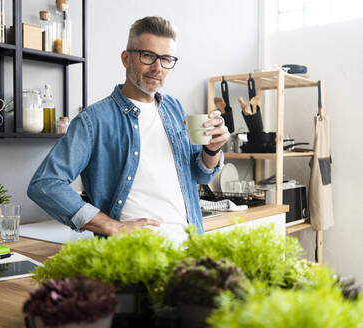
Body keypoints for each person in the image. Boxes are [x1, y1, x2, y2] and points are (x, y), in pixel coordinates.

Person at [27, 16, 229, 243]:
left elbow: (200, 174)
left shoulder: (175, 108)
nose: (157, 67)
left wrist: (212, 150)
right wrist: (110, 226)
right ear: (126, 58)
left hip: (190, 249)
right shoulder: (93, 120)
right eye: (148, 56)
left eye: (166, 59)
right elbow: (44, 184)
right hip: (133, 256)